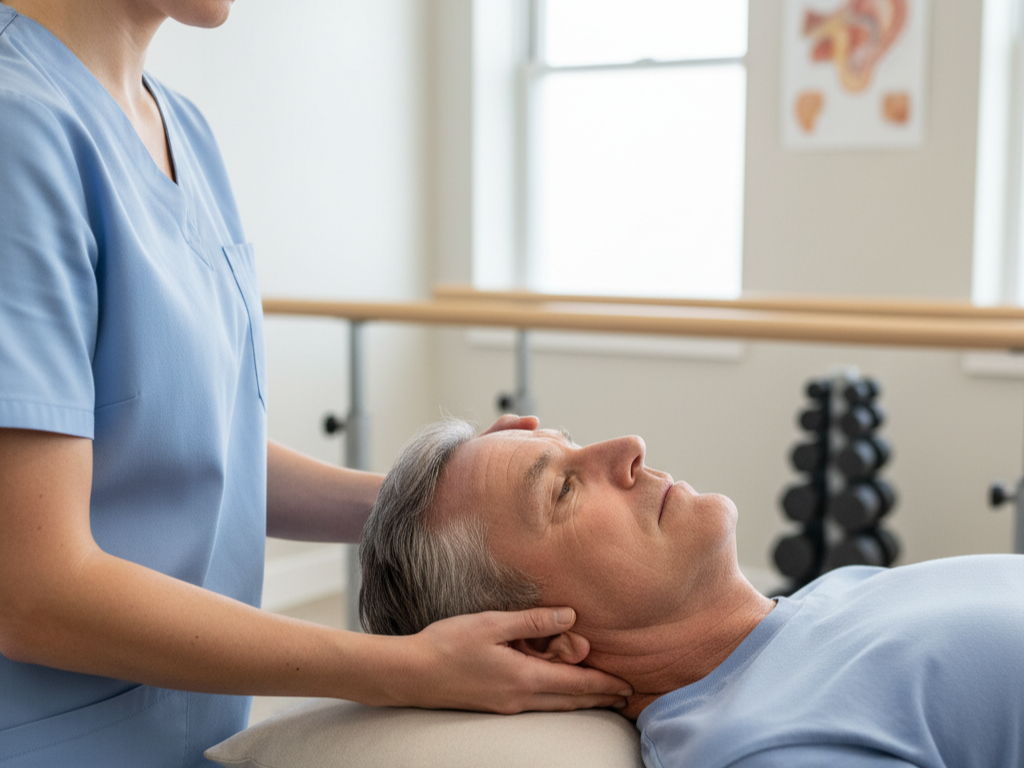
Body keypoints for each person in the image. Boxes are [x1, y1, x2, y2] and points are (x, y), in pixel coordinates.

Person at [0, 3, 629, 765]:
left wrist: (449, 502)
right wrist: (404, 669)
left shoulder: (182, 129)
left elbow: (197, 446)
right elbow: (31, 591)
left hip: (195, 730)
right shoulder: (18, 130)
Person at [360, 419, 1024, 767]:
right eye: (562, 487)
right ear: (543, 640)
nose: (628, 446)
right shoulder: (768, 744)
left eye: (573, 444)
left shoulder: (817, 610)